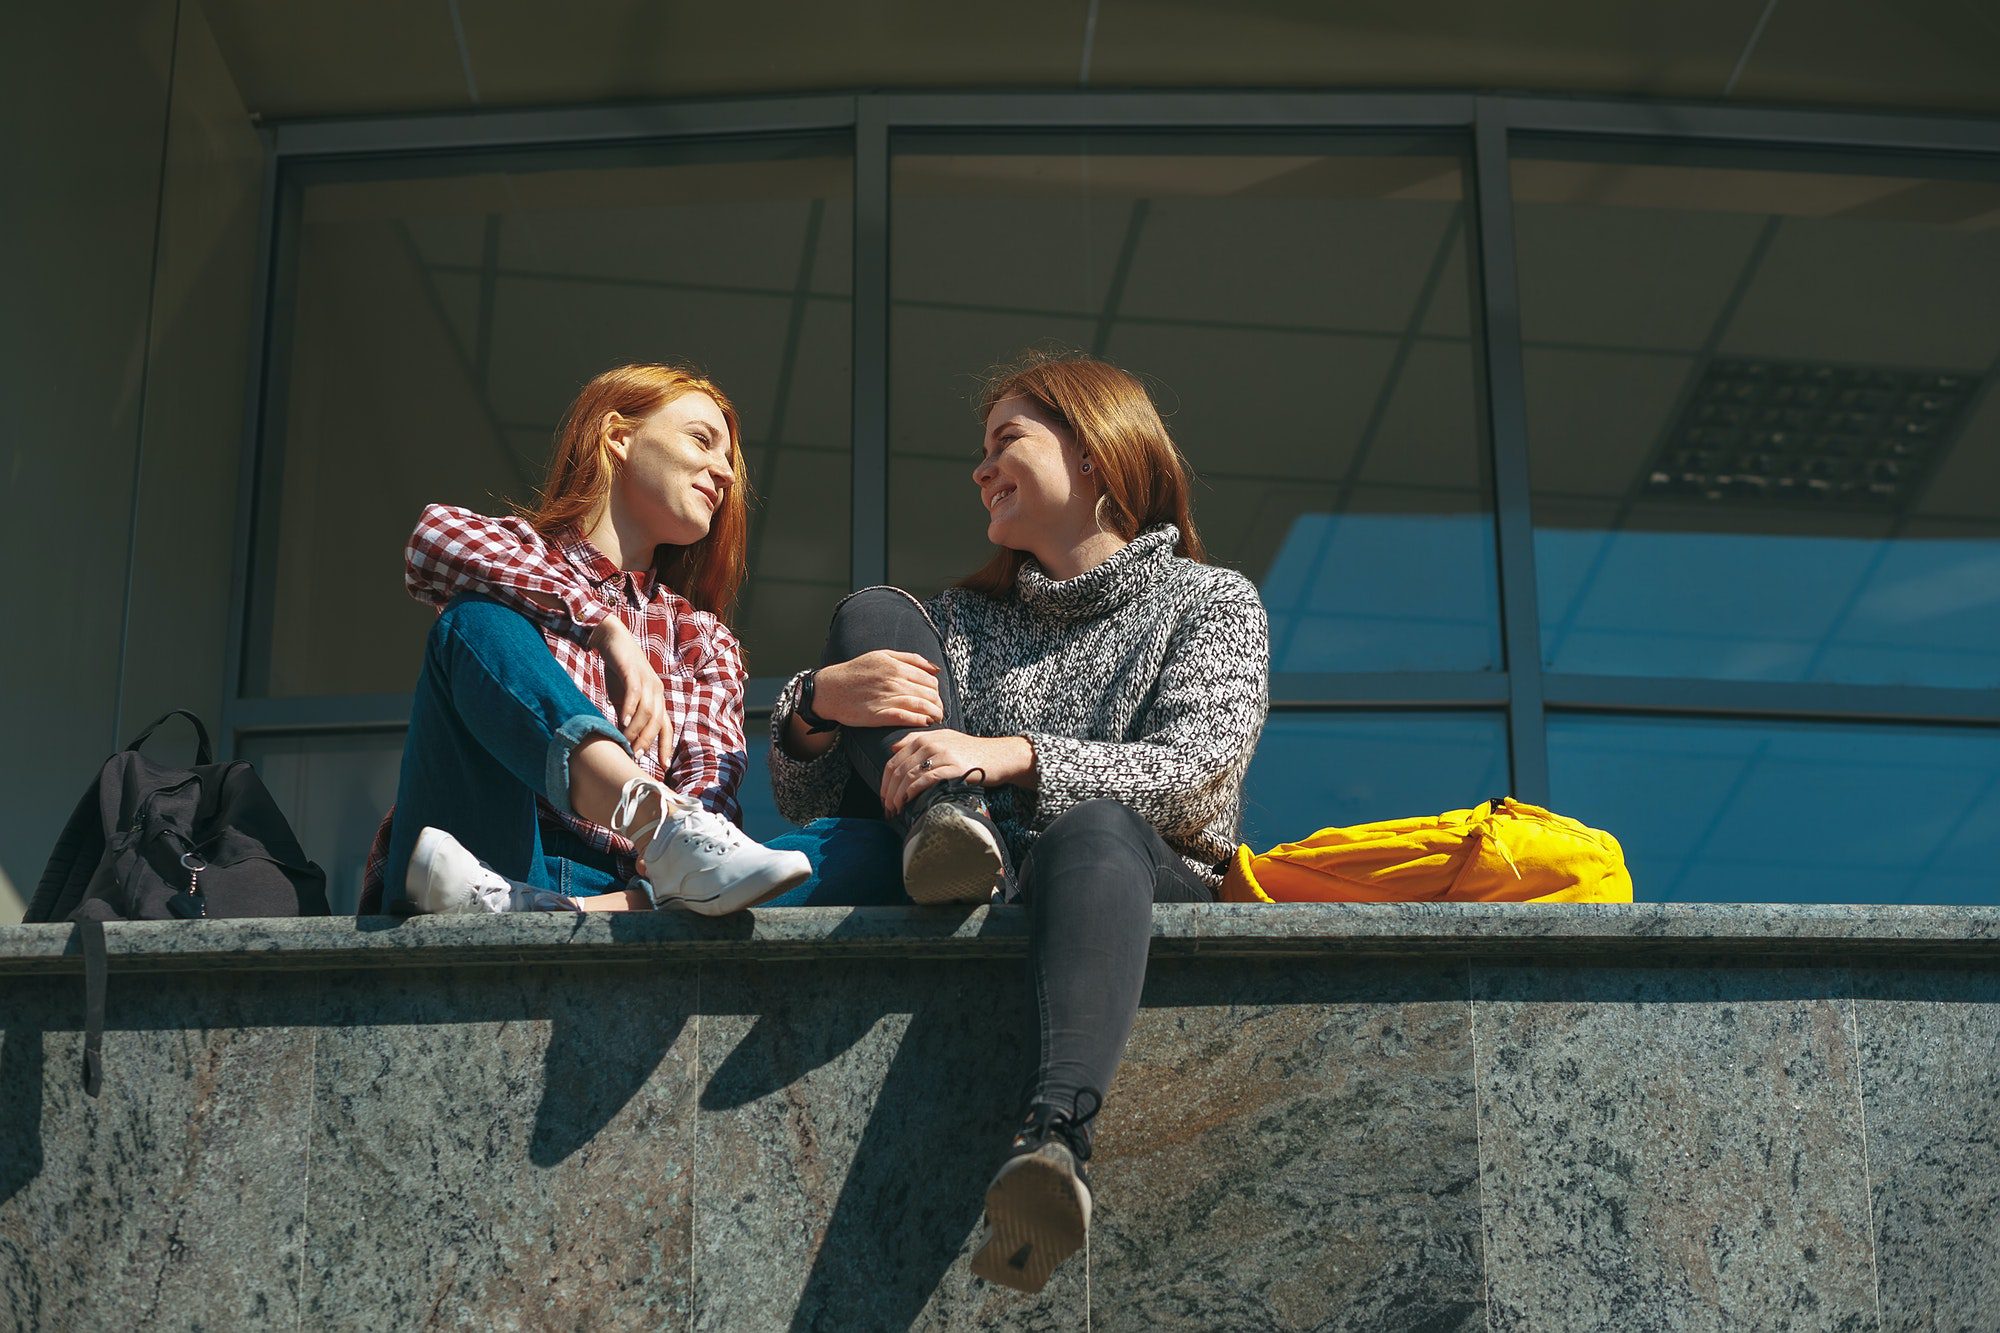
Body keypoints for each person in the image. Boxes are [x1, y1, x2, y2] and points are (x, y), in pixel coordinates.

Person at [765, 351, 1270, 1293]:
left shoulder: (1212, 602)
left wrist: (1014, 754)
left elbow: (1198, 775)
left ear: (1094, 453)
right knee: (875, 610)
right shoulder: (960, 619)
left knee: (1093, 829)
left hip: (1131, 876)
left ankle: (1053, 1142)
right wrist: (814, 704)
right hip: (983, 875)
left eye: (1007, 440)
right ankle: (944, 830)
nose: (980, 467)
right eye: (981, 449)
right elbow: (811, 801)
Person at [362, 363, 809, 916]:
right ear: (618, 437)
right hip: (471, 858)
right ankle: (648, 817)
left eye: (730, 462)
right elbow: (434, 539)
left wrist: (620, 903)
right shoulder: (516, 552)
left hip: (621, 892)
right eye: (702, 440)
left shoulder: (704, 639)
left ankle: (589, 880)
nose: (723, 473)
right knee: (477, 619)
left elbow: (709, 809)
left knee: (839, 849)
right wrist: (602, 628)